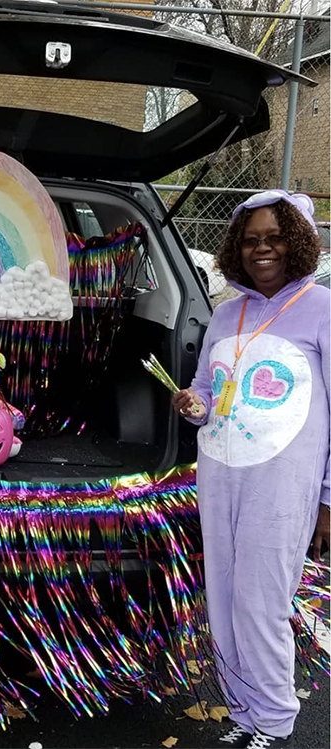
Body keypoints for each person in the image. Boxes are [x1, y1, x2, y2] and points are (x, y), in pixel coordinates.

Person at [173, 190, 330, 749]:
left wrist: (329, 500)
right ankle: (242, 711)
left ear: (297, 240)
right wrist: (191, 403)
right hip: (220, 477)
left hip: (282, 488)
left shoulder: (323, 308)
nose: (262, 249)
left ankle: (276, 720)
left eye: (274, 237)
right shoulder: (226, 312)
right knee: (225, 596)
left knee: (262, 602)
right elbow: (205, 391)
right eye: (250, 239)